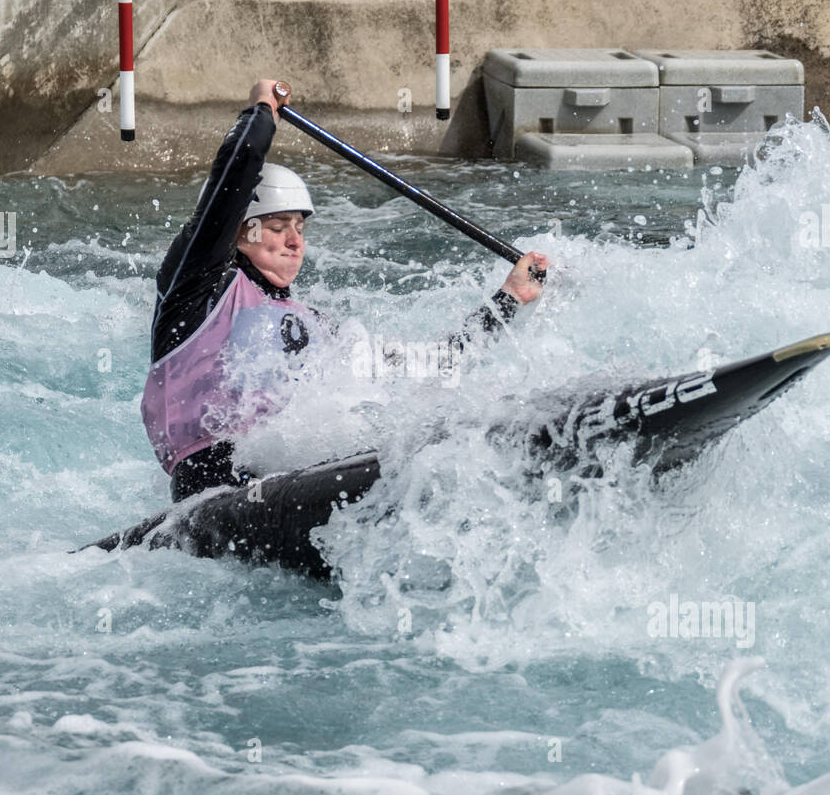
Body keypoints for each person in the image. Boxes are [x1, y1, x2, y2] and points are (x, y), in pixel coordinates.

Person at [142, 79, 549, 502]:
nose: (295, 241)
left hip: (288, 476)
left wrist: (510, 297)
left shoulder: (315, 325)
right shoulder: (195, 291)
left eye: (300, 228)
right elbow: (229, 186)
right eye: (278, 228)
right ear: (239, 233)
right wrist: (261, 112)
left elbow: (431, 363)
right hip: (209, 490)